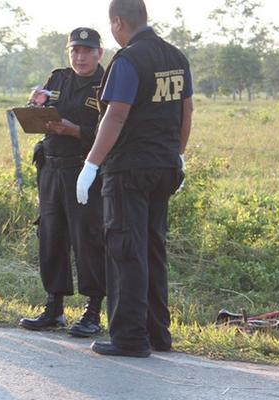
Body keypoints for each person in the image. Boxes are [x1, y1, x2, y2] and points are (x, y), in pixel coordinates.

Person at [76, 0, 193, 357]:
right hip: (164, 166)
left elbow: (116, 114)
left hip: (129, 169)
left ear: (118, 22)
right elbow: (186, 109)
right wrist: (179, 154)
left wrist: (91, 164)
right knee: (152, 249)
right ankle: (158, 333)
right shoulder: (176, 57)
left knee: (126, 250)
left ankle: (129, 338)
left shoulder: (129, 59)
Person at [18, 28, 107, 338]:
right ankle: (53, 307)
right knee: (51, 236)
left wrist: (74, 131)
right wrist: (34, 103)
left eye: (86, 51)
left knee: (88, 239)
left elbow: (113, 132)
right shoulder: (58, 78)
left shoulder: (105, 84)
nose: (79, 57)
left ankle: (93, 311)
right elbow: (40, 110)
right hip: (51, 168)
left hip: (84, 171)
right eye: (74, 51)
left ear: (99, 53)